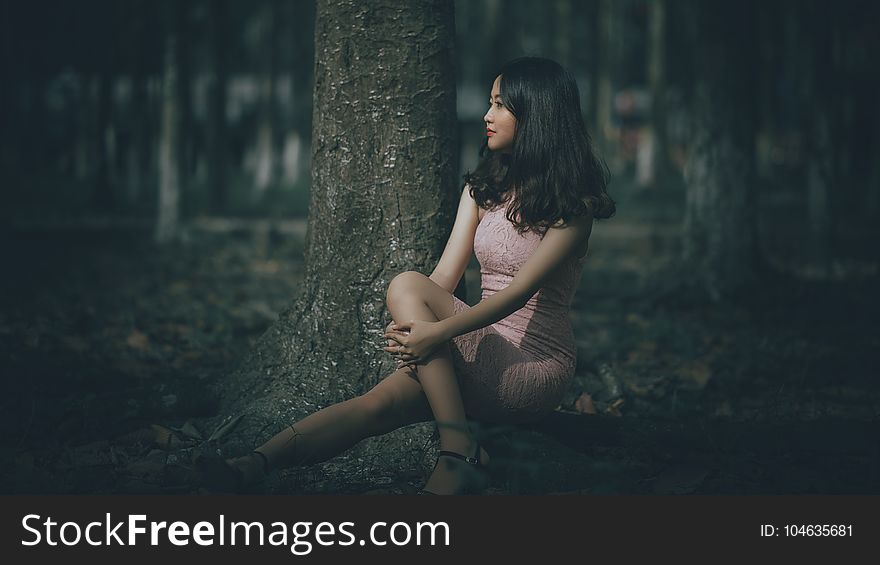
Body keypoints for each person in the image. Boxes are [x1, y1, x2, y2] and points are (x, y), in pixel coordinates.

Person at [196, 57, 614, 495]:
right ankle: (252, 464)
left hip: (531, 368)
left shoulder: (574, 209)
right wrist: (415, 324)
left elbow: (518, 293)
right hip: (475, 346)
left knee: (405, 284)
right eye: (489, 104)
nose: (486, 116)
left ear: (536, 116)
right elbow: (443, 279)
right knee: (377, 403)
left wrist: (436, 332)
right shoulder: (482, 190)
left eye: (499, 105)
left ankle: (457, 453)